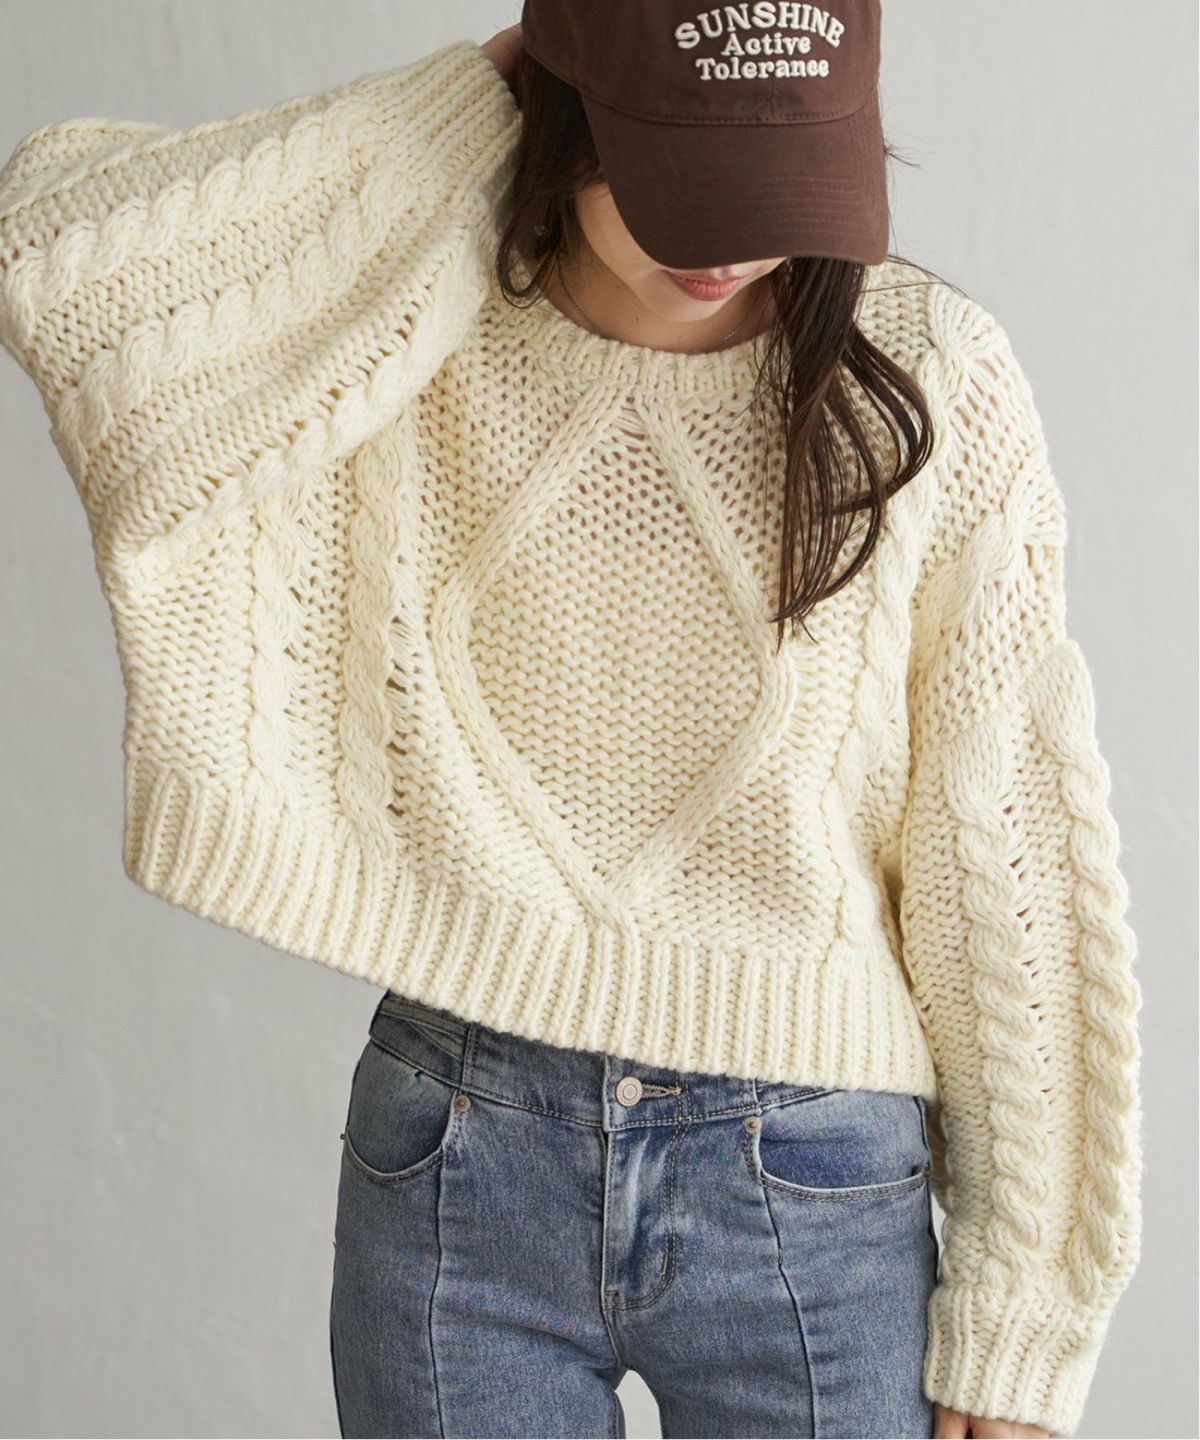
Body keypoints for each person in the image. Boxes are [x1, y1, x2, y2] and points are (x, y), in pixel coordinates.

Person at [0, 3, 1142, 1438]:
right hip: (461, 1147)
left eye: (781, 180)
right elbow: (59, 260)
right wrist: (472, 98)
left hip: (811, 1181)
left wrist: (1026, 1308)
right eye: (683, 174)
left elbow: (1006, 839)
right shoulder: (405, 313)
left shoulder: (930, 377)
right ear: (571, 100)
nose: (733, 242)